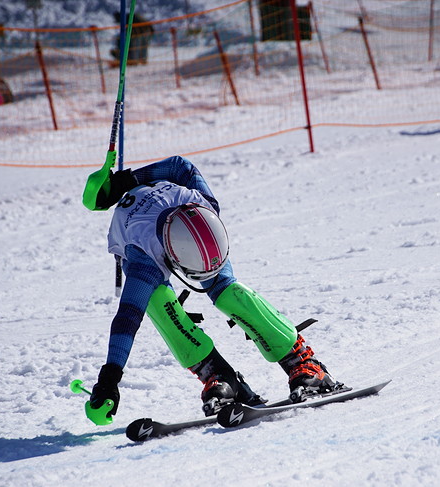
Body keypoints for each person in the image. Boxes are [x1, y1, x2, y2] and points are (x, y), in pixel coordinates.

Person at [83, 155, 343, 422]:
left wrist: (131, 179)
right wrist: (109, 378)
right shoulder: (144, 258)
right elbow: (127, 318)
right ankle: (216, 374)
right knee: (157, 301)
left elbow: (178, 166)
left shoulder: (204, 201)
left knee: (228, 293)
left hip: (192, 228)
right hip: (140, 231)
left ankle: (301, 361)